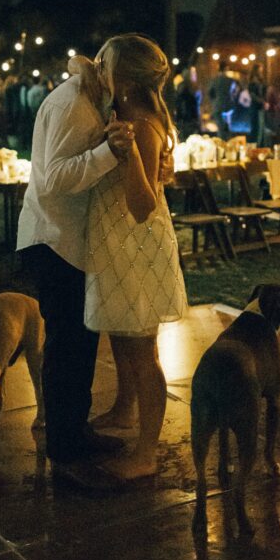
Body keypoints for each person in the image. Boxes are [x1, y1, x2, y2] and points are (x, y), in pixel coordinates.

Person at [16, 49, 134, 489]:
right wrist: (108, 152)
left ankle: (76, 432)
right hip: (54, 240)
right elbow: (54, 180)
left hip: (70, 241)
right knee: (66, 348)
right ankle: (64, 451)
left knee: (81, 344)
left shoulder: (90, 99)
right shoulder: (72, 104)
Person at [83, 34, 188, 481]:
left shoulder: (142, 125)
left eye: (104, 63)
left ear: (123, 76)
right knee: (122, 336)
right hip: (118, 243)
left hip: (137, 244)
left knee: (142, 351)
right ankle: (124, 408)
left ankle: (146, 453)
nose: (96, 67)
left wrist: (126, 156)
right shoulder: (124, 112)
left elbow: (143, 205)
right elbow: (79, 65)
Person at [208, 61, 235, 139]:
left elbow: (210, 93)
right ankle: (228, 142)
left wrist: (213, 102)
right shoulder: (230, 80)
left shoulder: (214, 80)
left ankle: (221, 142)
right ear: (226, 69)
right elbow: (234, 92)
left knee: (220, 128)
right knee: (228, 128)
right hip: (228, 107)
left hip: (217, 106)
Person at [247, 62, 267, 145]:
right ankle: (256, 146)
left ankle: (260, 146)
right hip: (256, 107)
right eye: (260, 70)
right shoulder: (253, 82)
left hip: (260, 107)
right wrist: (262, 102)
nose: (261, 71)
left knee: (261, 129)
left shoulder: (260, 80)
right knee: (257, 129)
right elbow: (253, 95)